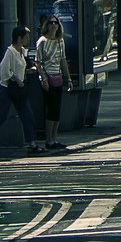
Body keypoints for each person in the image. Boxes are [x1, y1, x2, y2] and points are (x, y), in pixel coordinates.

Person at [0, 26, 38, 156]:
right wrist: (16, 78)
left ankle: (32, 144)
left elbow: (17, 68)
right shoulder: (10, 51)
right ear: (19, 38)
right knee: (0, 117)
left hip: (19, 90)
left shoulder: (21, 51)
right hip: (8, 90)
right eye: (26, 36)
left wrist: (26, 72)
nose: (28, 39)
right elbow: (3, 70)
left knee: (28, 116)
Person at [33, 16, 72, 151]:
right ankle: (48, 139)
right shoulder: (42, 41)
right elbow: (38, 62)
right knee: (51, 108)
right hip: (47, 78)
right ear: (47, 25)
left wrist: (68, 78)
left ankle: (54, 138)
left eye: (56, 23)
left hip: (58, 76)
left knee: (57, 109)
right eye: (51, 23)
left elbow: (63, 60)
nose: (54, 25)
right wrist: (44, 79)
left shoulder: (60, 41)